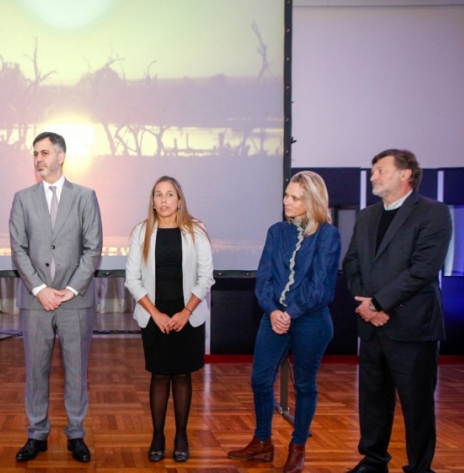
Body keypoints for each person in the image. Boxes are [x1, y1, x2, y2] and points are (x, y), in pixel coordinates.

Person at [343, 150, 452, 473]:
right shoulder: (367, 216)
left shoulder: (433, 213)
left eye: (380, 170)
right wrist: (366, 306)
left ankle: (420, 467)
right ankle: (374, 460)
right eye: (374, 170)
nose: (373, 176)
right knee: (373, 400)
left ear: (405, 174)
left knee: (416, 404)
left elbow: (423, 269)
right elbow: (351, 264)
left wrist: (379, 304)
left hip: (413, 327)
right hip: (372, 325)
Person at [228, 171, 341, 473]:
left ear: (312, 201)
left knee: (304, 384)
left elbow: (319, 287)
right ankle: (263, 442)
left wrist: (290, 312)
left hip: (311, 320)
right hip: (274, 316)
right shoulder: (276, 231)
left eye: (295, 198)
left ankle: (298, 446)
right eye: (287, 195)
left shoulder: (328, 235)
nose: (286, 201)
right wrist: (272, 310)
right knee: (260, 379)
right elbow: (263, 277)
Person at [9, 131, 103, 463]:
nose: (39, 159)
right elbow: (18, 250)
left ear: (60, 156)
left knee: (76, 371)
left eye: (45, 153)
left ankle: (76, 434)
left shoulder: (85, 197)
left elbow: (93, 250)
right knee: (36, 371)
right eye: (35, 153)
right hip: (36, 301)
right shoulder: (22, 198)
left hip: (75, 300)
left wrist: (70, 289)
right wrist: (40, 289)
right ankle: (37, 435)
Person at [124, 176, 215, 463]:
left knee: (183, 375)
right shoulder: (141, 232)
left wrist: (185, 313)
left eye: (170, 195)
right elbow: (132, 279)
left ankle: (181, 436)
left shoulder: (196, 231)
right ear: (152, 201)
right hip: (154, 314)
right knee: (160, 374)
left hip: (187, 313)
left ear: (179, 200)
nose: (163, 200)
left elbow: (205, 277)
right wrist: (156, 314)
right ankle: (158, 435)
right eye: (158, 195)